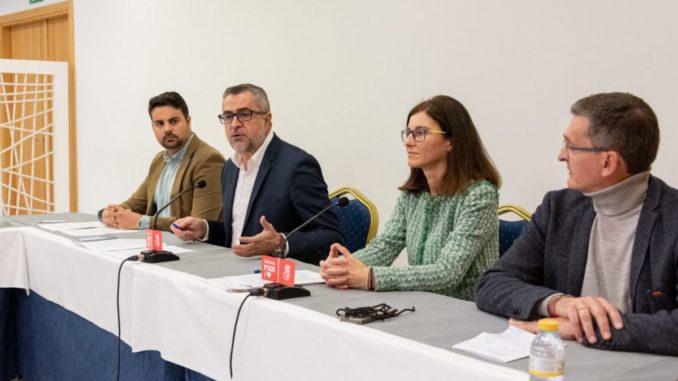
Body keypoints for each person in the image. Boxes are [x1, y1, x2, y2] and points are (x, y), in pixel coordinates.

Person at [476, 92, 678, 356]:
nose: (561, 156)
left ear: (608, 162)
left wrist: (583, 328)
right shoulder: (558, 208)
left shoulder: (672, 217)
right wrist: (559, 304)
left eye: (570, 146)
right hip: (565, 364)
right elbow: (493, 283)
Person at [319, 95, 501, 300]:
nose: (408, 142)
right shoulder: (412, 195)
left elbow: (447, 274)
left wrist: (371, 277)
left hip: (466, 312)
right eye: (408, 133)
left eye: (420, 133)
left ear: (452, 141)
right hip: (422, 304)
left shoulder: (479, 195)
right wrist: (343, 266)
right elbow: (385, 247)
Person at [171, 84, 342, 265]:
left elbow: (331, 236)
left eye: (245, 114)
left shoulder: (296, 166)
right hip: (234, 273)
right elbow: (239, 236)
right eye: (228, 116)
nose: (235, 124)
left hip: (278, 280)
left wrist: (280, 243)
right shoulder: (230, 168)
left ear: (267, 120)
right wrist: (205, 230)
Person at [98, 91, 224, 232]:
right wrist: (109, 213)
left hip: (192, 249)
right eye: (159, 124)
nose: (167, 129)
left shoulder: (208, 159)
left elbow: (198, 225)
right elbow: (136, 203)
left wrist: (143, 222)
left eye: (174, 121)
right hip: (159, 244)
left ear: (188, 121)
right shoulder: (159, 160)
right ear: (152, 127)